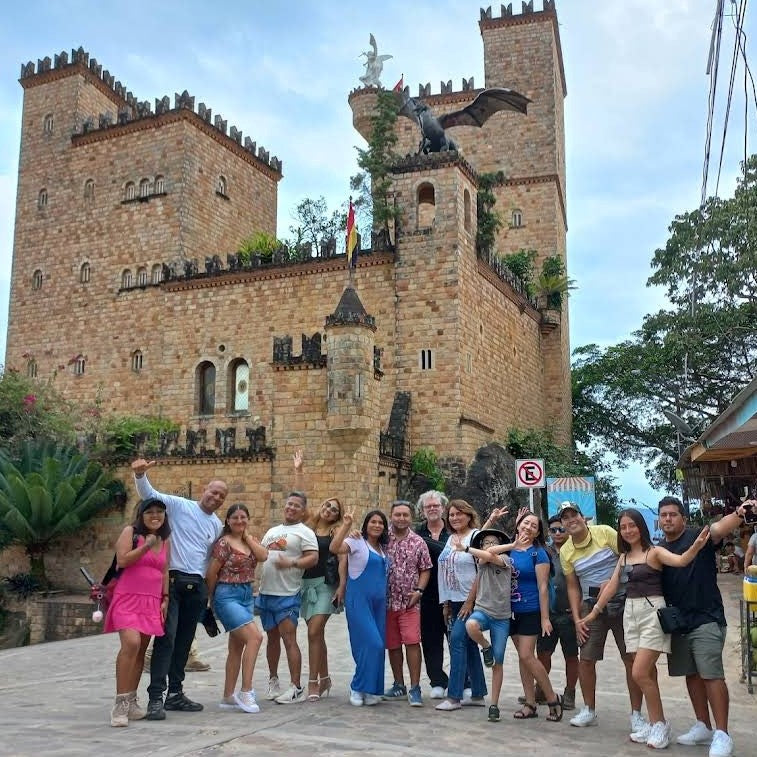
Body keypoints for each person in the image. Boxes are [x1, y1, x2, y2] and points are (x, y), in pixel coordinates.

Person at [582, 508, 710, 749]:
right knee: (647, 674)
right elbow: (610, 587)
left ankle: (660, 724)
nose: (628, 530)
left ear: (641, 527)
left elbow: (681, 561)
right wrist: (594, 612)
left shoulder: (654, 552)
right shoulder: (624, 557)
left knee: (639, 672)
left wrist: (695, 547)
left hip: (652, 612)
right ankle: (654, 723)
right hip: (630, 614)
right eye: (623, 527)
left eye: (632, 525)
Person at [132, 458, 226, 720]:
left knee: (184, 642)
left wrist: (208, 595)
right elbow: (149, 496)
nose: (216, 497)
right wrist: (140, 475)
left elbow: (210, 559)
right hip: (172, 582)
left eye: (221, 495)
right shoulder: (179, 505)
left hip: (196, 587)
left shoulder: (216, 525)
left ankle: (175, 694)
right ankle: (155, 698)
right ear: (204, 490)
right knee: (167, 639)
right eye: (213, 491)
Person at [658, 495, 751, 757]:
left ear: (683, 518)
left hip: (707, 618)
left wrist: (742, 511)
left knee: (711, 674)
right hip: (679, 622)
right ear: (659, 520)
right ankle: (703, 726)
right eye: (663, 515)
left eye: (673, 514)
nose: (668, 519)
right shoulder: (660, 547)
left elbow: (721, 527)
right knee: (692, 674)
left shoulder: (699, 535)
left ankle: (722, 733)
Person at [558, 501, 646, 734]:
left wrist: (615, 581)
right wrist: (577, 619)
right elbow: (573, 587)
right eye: (565, 518)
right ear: (563, 523)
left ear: (583, 517)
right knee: (586, 659)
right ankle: (589, 709)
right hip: (590, 606)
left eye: (573, 515)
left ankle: (637, 714)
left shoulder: (605, 532)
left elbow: (627, 557)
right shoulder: (565, 550)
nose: (571, 520)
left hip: (623, 601)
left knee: (631, 658)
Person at [490, 511, 563, 723]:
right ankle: (530, 703)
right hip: (509, 611)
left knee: (527, 655)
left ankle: (552, 698)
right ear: (518, 524)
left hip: (530, 609)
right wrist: (513, 543)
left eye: (533, 526)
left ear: (538, 532)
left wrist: (544, 617)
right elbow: (488, 552)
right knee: (524, 659)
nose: (528, 527)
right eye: (525, 523)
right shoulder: (509, 549)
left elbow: (542, 587)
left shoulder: (538, 553)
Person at [105, 497, 170, 727]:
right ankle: (120, 704)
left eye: (159, 512)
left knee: (141, 650)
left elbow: (164, 572)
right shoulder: (130, 532)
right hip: (127, 598)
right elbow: (122, 561)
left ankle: (132, 700)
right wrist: (145, 546)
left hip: (151, 602)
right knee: (130, 644)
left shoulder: (164, 540)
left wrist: (165, 598)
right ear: (141, 515)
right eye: (150, 511)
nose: (155, 515)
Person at [256, 490, 318, 704]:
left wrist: (291, 563)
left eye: (297, 506)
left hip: (287, 594)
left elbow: (312, 558)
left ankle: (296, 687)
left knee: (289, 639)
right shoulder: (273, 530)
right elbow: (262, 554)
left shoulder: (305, 532)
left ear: (303, 511)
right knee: (271, 639)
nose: (291, 508)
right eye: (289, 504)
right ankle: (273, 681)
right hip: (266, 593)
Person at [205, 503, 268, 713]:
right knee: (255, 638)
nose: (239, 521)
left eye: (243, 517)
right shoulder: (223, 543)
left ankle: (227, 695)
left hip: (246, 595)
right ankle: (246, 691)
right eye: (235, 518)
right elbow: (212, 573)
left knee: (236, 647)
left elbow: (263, 556)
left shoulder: (249, 541)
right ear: (228, 521)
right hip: (227, 595)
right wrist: (212, 599)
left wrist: (248, 537)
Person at [330, 508, 389, 706]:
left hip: (379, 603)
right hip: (359, 600)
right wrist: (346, 525)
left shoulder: (383, 548)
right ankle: (357, 686)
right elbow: (334, 548)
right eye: (373, 521)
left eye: (381, 522)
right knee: (372, 643)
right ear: (366, 525)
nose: (377, 525)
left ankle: (372, 689)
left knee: (378, 647)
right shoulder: (356, 541)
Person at [456, 528, 515, 722]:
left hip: (502, 617)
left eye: (493, 542)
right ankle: (486, 647)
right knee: (471, 625)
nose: (489, 546)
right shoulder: (481, 561)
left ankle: (494, 704)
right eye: (485, 543)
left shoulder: (506, 560)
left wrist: (465, 548)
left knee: (498, 662)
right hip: (483, 610)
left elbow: (493, 556)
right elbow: (485, 556)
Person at [435, 499, 487, 711]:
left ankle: (454, 696)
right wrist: (447, 602)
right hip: (455, 601)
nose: (455, 518)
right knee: (468, 645)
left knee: (456, 642)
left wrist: (469, 601)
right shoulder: (450, 539)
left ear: (468, 515)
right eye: (451, 514)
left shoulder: (475, 537)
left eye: (459, 514)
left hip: (471, 601)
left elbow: (481, 571)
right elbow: (447, 570)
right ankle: (477, 693)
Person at [383, 500, 432, 706]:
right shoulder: (381, 539)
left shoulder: (418, 542)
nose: (401, 518)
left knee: (412, 641)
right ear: (391, 516)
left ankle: (414, 687)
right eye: (397, 515)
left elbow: (425, 568)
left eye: (405, 515)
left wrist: (419, 591)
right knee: (393, 645)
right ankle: (398, 684)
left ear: (411, 517)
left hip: (410, 603)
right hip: (386, 602)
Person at [301, 493, 347, 702]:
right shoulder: (308, 524)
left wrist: (342, 587)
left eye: (334, 509)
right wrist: (298, 471)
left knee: (313, 632)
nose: (329, 510)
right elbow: (301, 500)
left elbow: (342, 558)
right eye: (327, 505)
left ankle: (313, 682)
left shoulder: (334, 530)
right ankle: (326, 679)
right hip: (304, 585)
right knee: (317, 635)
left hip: (325, 585)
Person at [534, 514, 579, 710]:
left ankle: (570, 692)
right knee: (543, 654)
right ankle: (542, 690)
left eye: (562, 529)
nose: (558, 533)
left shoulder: (576, 550)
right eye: (554, 530)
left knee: (571, 656)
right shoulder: (544, 551)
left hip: (570, 614)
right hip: (548, 614)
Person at [415, 490, 450, 699]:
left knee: (456, 639)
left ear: (443, 508)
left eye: (436, 505)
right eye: (428, 507)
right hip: (427, 594)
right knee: (430, 640)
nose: (432, 509)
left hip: (453, 594)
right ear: (422, 511)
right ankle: (437, 680)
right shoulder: (417, 534)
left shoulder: (455, 530)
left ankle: (463, 681)